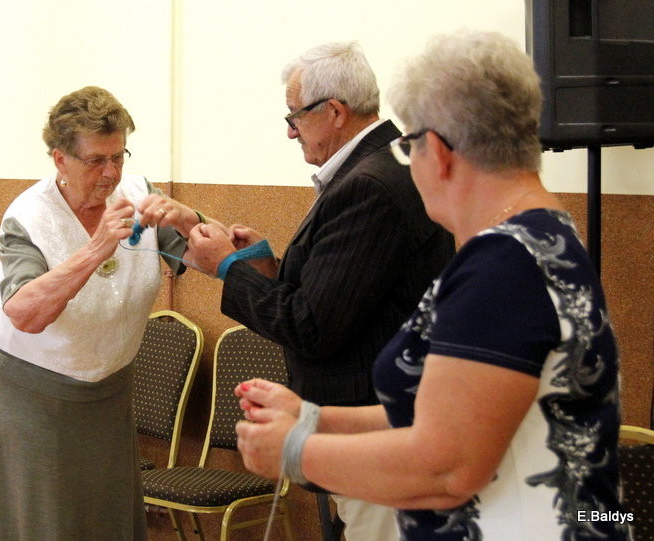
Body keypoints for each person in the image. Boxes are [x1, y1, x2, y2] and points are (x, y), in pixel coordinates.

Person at [233, 31, 631, 541]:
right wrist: (316, 418)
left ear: (438, 153)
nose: (407, 164)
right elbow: (449, 413)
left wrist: (294, 451)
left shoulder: (503, 267)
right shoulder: (541, 233)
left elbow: (446, 467)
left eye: (409, 149)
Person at [186, 42, 453, 540]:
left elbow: (312, 326)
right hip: (379, 424)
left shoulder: (370, 184)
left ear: (333, 112)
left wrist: (225, 267)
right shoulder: (385, 163)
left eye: (295, 117)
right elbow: (348, 292)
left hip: (375, 437)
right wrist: (263, 266)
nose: (289, 131)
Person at [0, 86, 214, 541]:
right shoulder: (27, 217)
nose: (111, 173)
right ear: (60, 159)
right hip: (32, 389)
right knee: (42, 518)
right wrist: (95, 248)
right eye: (96, 160)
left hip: (108, 386)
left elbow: (206, 260)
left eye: (119, 156)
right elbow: (26, 313)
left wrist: (186, 220)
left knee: (105, 512)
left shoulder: (137, 193)